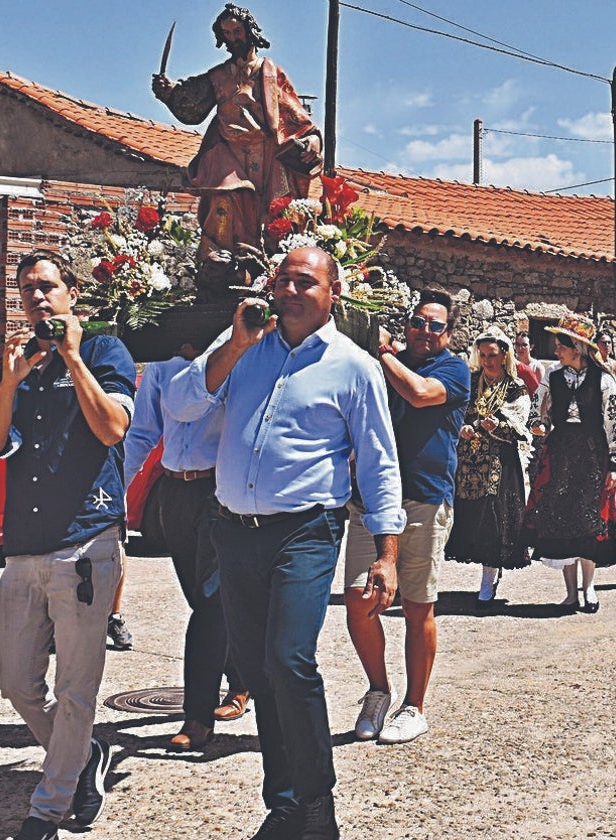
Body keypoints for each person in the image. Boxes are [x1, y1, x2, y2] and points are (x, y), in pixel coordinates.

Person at [166, 246, 404, 839]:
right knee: (257, 666)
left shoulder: (353, 367)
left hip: (306, 530)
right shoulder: (243, 347)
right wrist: (236, 345)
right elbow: (181, 404)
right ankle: (286, 804)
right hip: (233, 531)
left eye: (307, 281)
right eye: (284, 280)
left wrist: (387, 553)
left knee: (289, 660)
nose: (292, 291)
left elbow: (379, 463)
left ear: (333, 294)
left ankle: (317, 808)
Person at [0, 250, 136, 840]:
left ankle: (50, 806)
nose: (36, 297)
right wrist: (11, 381)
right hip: (24, 544)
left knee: (75, 685)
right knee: (16, 682)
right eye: (26, 289)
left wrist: (70, 352)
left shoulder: (103, 351)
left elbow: (114, 428)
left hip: (86, 539)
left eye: (47, 286)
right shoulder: (18, 364)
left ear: (71, 294)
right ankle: (84, 756)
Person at [344, 290, 470, 746]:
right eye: (418, 323)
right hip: (371, 501)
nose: (425, 332)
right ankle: (378, 690)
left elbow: (419, 395)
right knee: (359, 600)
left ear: (448, 334)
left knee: (418, 606)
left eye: (435, 325)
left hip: (424, 499)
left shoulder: (452, 370)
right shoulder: (385, 363)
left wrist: (381, 352)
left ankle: (414, 706)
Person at [122, 341, 250, 752]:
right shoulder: (163, 360)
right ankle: (243, 677)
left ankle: (196, 717)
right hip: (174, 492)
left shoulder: (240, 350)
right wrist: (113, 490)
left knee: (211, 604)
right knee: (203, 602)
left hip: (220, 490)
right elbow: (143, 431)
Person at [151, 4, 322, 277]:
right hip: (228, 154)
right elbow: (192, 106)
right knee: (226, 202)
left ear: (250, 32)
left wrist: (312, 140)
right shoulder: (218, 76)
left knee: (271, 216)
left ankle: (266, 273)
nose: (233, 38)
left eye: (237, 31)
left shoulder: (270, 73)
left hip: (266, 156)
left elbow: (295, 115)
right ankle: (221, 270)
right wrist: (169, 93)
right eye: (227, 33)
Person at [524, 315, 616, 613]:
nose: (556, 351)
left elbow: (614, 424)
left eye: (561, 346)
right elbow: (537, 408)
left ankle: (589, 588)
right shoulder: (552, 377)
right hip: (561, 455)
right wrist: (537, 425)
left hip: (592, 455)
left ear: (577, 349)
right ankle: (570, 593)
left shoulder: (603, 380)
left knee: (589, 520)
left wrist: (615, 464)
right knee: (561, 521)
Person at [444, 326, 532, 606]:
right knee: (468, 518)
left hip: (499, 464)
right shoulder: (470, 383)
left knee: (494, 522)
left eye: (492, 355)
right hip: (469, 464)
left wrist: (500, 426)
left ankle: (488, 579)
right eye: (482, 355)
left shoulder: (515, 388)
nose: (487, 361)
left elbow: (521, 425)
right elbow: (453, 414)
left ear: (504, 354)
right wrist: (464, 428)